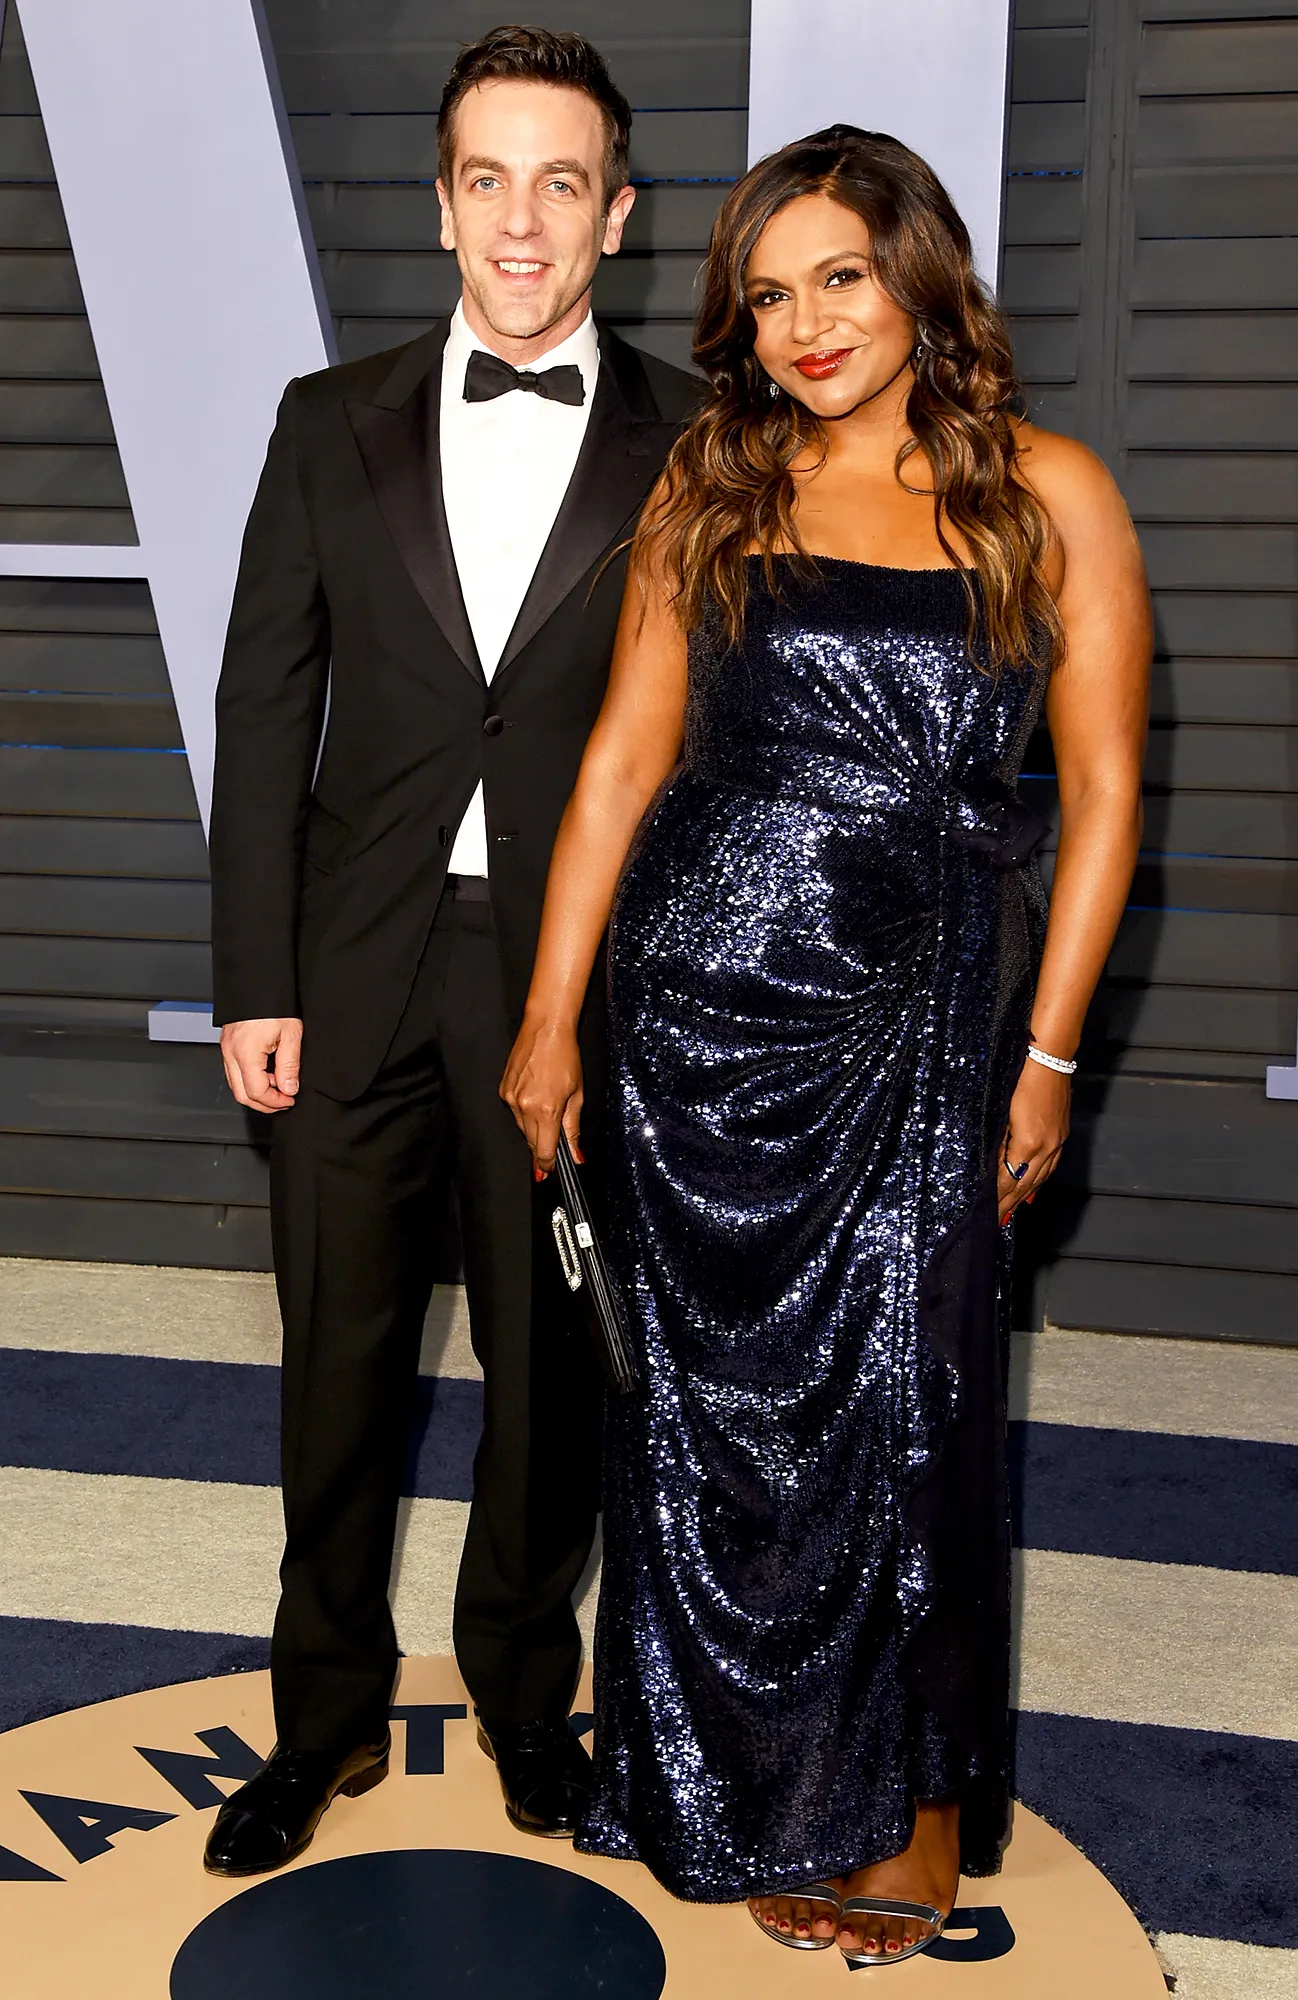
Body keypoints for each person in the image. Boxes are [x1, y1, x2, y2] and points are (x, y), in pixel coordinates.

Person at [501, 125, 1151, 1966]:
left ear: (918, 273)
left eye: (837, 279)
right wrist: (551, 1020)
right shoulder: (715, 485)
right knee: (705, 1429)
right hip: (686, 1025)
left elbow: (1101, 796)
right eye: (767, 294)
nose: (801, 325)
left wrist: (1046, 1057)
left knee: (910, 1412)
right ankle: (728, 1793)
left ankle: (909, 1828)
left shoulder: (1048, 495)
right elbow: (623, 764)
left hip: (922, 1025)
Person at [202, 26, 699, 1876]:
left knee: (546, 1378)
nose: (520, 218)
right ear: (437, 207)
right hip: (347, 973)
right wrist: (260, 974)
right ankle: (317, 1722)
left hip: (568, 982)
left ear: (615, 216)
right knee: (334, 1370)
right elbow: (267, 709)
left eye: (560, 181)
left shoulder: (690, 443)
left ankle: (519, 1701)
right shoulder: (323, 422)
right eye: (486, 178)